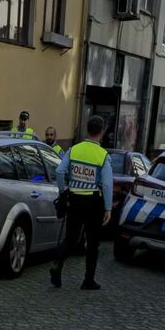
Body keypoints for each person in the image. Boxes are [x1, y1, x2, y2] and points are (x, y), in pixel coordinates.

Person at [50, 115, 112, 291]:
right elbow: (107, 184)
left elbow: (60, 171)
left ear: (87, 130)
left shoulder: (74, 149)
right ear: (101, 133)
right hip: (94, 203)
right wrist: (108, 208)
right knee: (92, 242)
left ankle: (57, 265)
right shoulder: (103, 155)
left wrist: (63, 191)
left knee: (70, 238)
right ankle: (88, 280)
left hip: (75, 200)